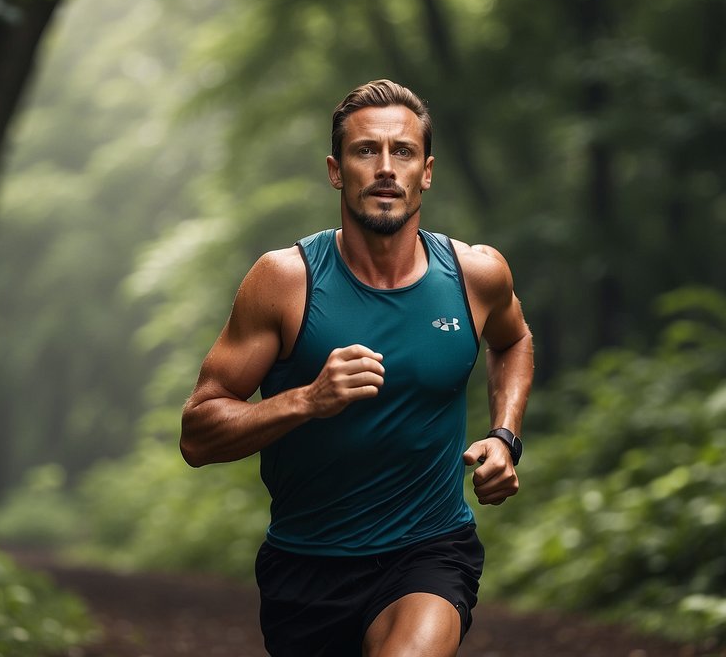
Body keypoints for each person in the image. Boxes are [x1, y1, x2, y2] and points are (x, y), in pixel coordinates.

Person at [180, 79, 534, 657]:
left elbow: (513, 340)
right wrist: (307, 399)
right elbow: (197, 435)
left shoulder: (476, 274)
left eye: (404, 152)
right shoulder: (285, 282)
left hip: (431, 549)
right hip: (306, 565)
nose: (386, 168)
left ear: (427, 171)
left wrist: (504, 435)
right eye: (366, 151)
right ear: (335, 170)